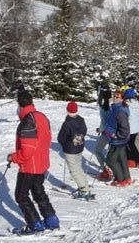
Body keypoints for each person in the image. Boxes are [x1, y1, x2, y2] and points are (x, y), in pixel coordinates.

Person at [8, 92, 59, 234]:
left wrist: (14, 157)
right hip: (41, 163)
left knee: (21, 196)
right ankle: (51, 219)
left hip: (30, 166)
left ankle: (35, 224)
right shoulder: (41, 116)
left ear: (19, 105)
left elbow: (27, 150)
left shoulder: (27, 121)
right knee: (38, 192)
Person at [57, 101, 92, 200]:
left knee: (74, 171)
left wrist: (62, 142)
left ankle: (84, 191)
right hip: (79, 147)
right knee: (78, 168)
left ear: (67, 110)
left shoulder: (67, 123)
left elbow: (61, 137)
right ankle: (85, 186)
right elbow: (84, 131)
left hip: (70, 150)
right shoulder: (81, 120)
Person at [103, 91, 132, 186]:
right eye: (114, 96)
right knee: (122, 159)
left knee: (110, 160)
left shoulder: (120, 111)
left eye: (117, 97)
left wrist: (116, 135)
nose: (115, 98)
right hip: (118, 140)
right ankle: (126, 178)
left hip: (117, 141)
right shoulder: (116, 108)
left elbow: (125, 129)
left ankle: (120, 179)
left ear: (122, 99)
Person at [95, 84, 113, 180]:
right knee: (111, 153)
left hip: (106, 132)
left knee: (97, 151)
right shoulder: (114, 106)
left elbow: (104, 121)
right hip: (114, 132)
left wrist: (101, 129)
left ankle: (106, 169)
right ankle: (111, 169)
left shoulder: (103, 108)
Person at [123, 88, 139, 168]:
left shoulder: (127, 103)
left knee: (127, 144)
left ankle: (135, 160)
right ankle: (135, 160)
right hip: (136, 127)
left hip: (130, 127)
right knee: (131, 144)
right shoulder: (137, 103)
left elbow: (125, 114)